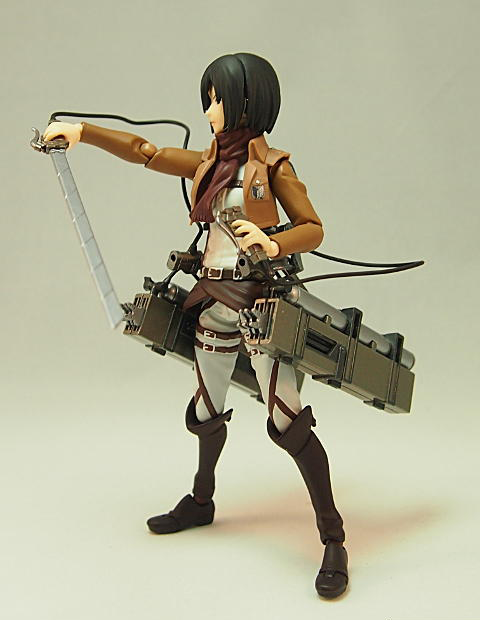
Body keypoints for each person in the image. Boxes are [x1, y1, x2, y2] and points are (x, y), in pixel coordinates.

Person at [43, 52, 349, 599]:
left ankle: (333, 537)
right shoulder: (210, 163)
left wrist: (273, 241)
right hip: (212, 300)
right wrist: (83, 133)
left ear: (246, 102)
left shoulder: (273, 167)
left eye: (216, 99)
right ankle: (202, 501)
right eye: (207, 100)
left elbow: (313, 227)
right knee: (206, 411)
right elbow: (148, 152)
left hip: (258, 304)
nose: (208, 111)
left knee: (288, 423)